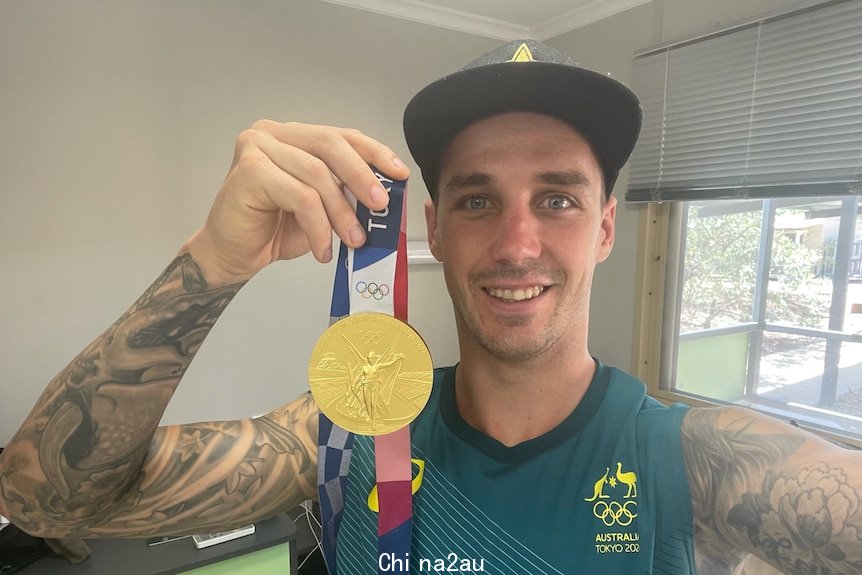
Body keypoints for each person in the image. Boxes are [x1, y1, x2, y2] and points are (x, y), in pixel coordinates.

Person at [0, 39, 860, 575]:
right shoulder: (344, 436)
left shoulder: (702, 459)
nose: (518, 244)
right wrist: (214, 261)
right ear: (434, 229)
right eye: (479, 201)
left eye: (557, 199)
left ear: (604, 229)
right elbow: (44, 504)